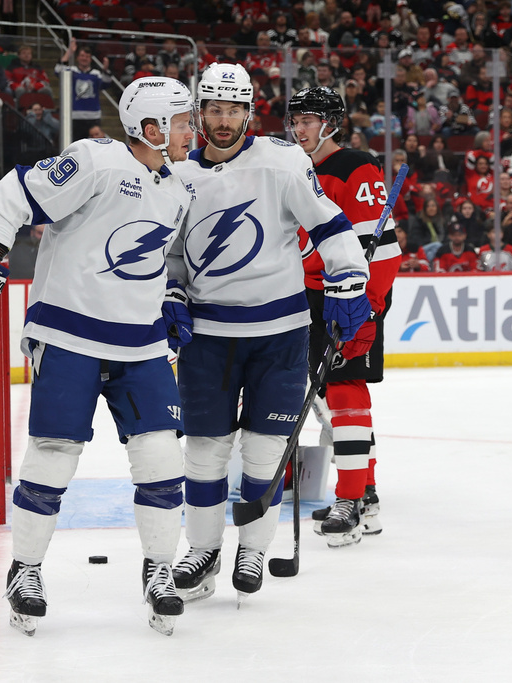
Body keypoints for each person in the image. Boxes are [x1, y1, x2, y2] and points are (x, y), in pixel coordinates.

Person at [0, 77, 195, 637]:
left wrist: (173, 294)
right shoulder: (95, 161)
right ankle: (25, 569)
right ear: (151, 128)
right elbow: (11, 195)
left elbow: (169, 257)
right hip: (71, 334)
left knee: (161, 460)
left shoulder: (178, 188)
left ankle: (158, 570)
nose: (191, 131)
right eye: (182, 122)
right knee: (53, 456)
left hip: (141, 342)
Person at [167, 66, 371, 603]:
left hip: (279, 333)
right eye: (213, 109)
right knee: (205, 453)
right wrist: (171, 294)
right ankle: (203, 550)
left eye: (234, 110)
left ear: (249, 113)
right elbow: (169, 254)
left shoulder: (281, 161)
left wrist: (348, 282)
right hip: (208, 337)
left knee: (264, 452)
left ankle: (253, 547)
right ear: (199, 113)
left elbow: (329, 224)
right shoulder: (177, 175)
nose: (223, 120)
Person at [288, 87, 401, 545]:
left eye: (309, 120)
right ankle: (366, 493)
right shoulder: (292, 169)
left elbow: (385, 250)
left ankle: (350, 500)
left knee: (344, 391)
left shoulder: (356, 167)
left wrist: (367, 305)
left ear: (331, 123)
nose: (300, 129)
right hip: (307, 296)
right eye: (295, 120)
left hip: (348, 296)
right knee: (331, 397)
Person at [55, 39, 111, 141]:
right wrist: (70, 51)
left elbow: (106, 84)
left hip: (93, 117)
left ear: (90, 59)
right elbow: (58, 70)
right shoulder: (72, 71)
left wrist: (105, 70)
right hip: (75, 117)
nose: (84, 58)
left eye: (87, 56)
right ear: (77, 58)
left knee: (94, 146)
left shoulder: (96, 73)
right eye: (82, 56)